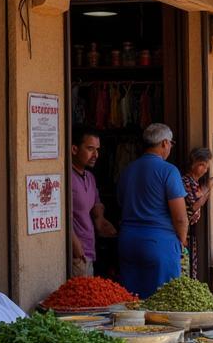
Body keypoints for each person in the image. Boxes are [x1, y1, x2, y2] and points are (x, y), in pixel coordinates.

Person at [116, 123, 188, 300]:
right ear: (164, 143)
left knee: (132, 303)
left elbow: (120, 203)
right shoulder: (169, 171)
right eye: (171, 143)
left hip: (127, 241)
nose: (170, 146)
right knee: (163, 303)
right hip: (159, 243)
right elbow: (180, 217)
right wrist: (181, 242)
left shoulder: (127, 170)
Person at [70, 125, 115, 277]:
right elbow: (60, 216)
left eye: (97, 149)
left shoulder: (90, 177)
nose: (96, 154)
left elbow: (96, 203)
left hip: (90, 248)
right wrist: (74, 242)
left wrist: (100, 219)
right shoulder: (66, 177)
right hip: (76, 253)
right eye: (90, 149)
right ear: (74, 149)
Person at [182, 147, 213, 279]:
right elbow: (194, 206)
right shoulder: (185, 181)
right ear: (193, 163)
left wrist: (207, 189)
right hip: (183, 233)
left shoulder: (196, 183)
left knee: (191, 269)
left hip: (192, 232)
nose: (205, 169)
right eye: (202, 165)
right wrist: (208, 188)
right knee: (184, 269)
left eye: (206, 166)